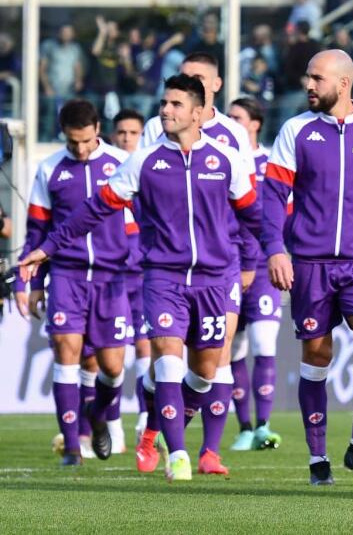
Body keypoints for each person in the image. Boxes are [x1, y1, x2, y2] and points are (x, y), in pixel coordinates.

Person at [21, 74, 260, 482]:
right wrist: (47, 248)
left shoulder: (227, 160)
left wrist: (268, 256)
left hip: (213, 280)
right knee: (166, 362)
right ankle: (177, 455)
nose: (165, 110)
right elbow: (93, 209)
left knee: (204, 374)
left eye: (175, 104)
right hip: (161, 278)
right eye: (164, 103)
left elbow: (254, 216)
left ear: (198, 113)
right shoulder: (143, 161)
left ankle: (154, 428)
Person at [261, 50, 353, 486]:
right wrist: (276, 250)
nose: (308, 85)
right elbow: (272, 197)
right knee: (317, 357)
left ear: (343, 83)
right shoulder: (296, 130)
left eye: (317, 78)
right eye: (308, 76)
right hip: (310, 265)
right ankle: (318, 458)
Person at [139, 51, 257, 476]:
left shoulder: (233, 137)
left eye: (198, 80)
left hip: (222, 264)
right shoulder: (157, 132)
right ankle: (178, 449)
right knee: (169, 356)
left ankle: (200, 445)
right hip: (168, 268)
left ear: (214, 88)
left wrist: (250, 259)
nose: (190, 85)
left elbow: (248, 206)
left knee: (213, 362)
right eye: (184, 79)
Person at [14, 99, 134, 465]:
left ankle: (97, 416)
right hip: (67, 275)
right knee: (66, 353)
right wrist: (31, 283)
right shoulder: (49, 169)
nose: (79, 149)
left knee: (112, 367)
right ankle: (71, 448)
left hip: (112, 278)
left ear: (98, 129)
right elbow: (37, 231)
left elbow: (139, 224)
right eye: (72, 142)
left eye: (85, 140)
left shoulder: (123, 164)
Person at [226, 97, 283, 452]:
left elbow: (285, 211)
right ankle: (244, 427)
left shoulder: (272, 162)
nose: (230, 122)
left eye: (237, 117)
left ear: (255, 123)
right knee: (233, 348)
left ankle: (263, 425)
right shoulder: (220, 161)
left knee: (264, 343)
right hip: (226, 265)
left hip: (261, 267)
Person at [110, 109, 151, 444]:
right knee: (109, 354)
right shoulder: (105, 170)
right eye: (121, 132)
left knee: (145, 346)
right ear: (112, 135)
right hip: (111, 275)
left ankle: (145, 417)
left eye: (133, 133)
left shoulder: (148, 169)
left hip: (144, 274)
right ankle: (110, 426)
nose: (126, 138)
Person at [39, 25, 86, 141]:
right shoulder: (49, 46)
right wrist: (47, 87)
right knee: (48, 119)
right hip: (52, 90)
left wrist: (78, 80)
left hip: (69, 90)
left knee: (70, 117)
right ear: (58, 33)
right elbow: (42, 68)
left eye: (68, 32)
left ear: (73, 34)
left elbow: (77, 66)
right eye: (64, 32)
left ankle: (68, 140)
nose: (66, 35)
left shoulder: (75, 48)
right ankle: (45, 141)